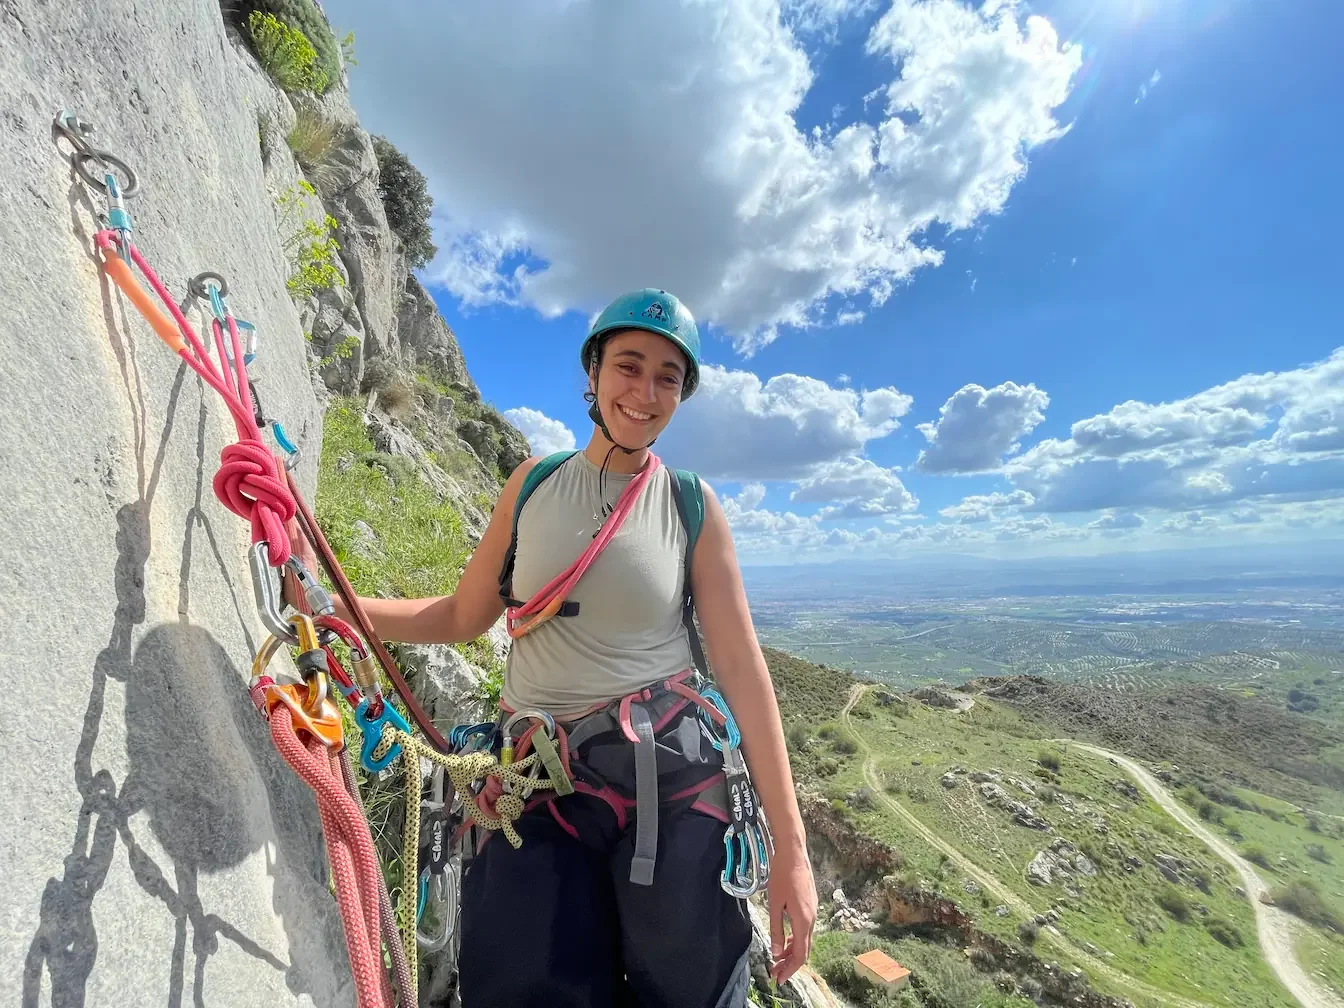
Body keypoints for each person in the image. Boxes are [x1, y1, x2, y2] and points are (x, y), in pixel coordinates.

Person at [285, 288, 816, 1007]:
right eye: (630, 366)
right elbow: (461, 614)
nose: (647, 391)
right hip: (535, 782)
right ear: (593, 374)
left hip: (670, 783)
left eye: (669, 377)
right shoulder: (532, 486)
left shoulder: (690, 505)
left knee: (689, 994)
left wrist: (793, 849)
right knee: (524, 987)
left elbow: (743, 670)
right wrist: (336, 606)